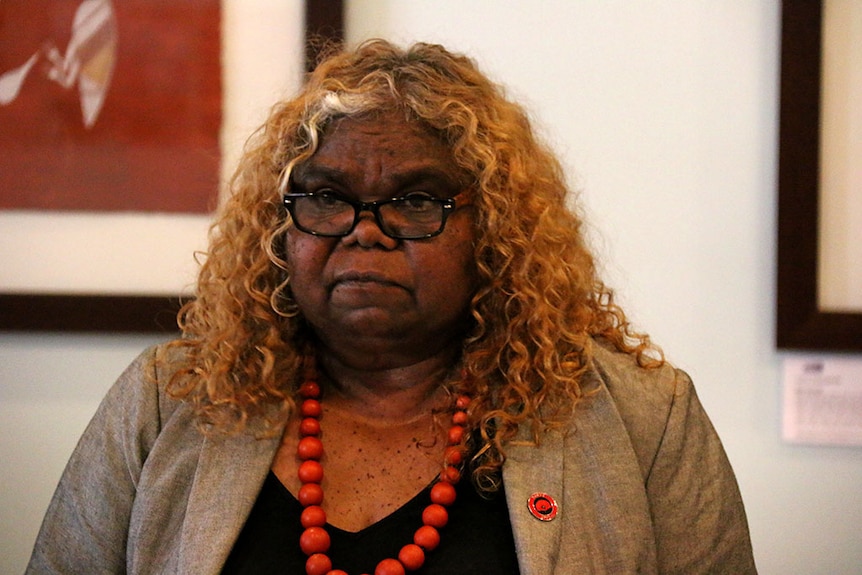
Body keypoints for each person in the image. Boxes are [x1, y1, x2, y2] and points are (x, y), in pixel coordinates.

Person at [26, 39, 757, 574]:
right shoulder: (166, 403)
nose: (364, 229)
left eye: (414, 200)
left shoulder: (642, 419)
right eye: (326, 196)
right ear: (279, 225)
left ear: (494, 230)